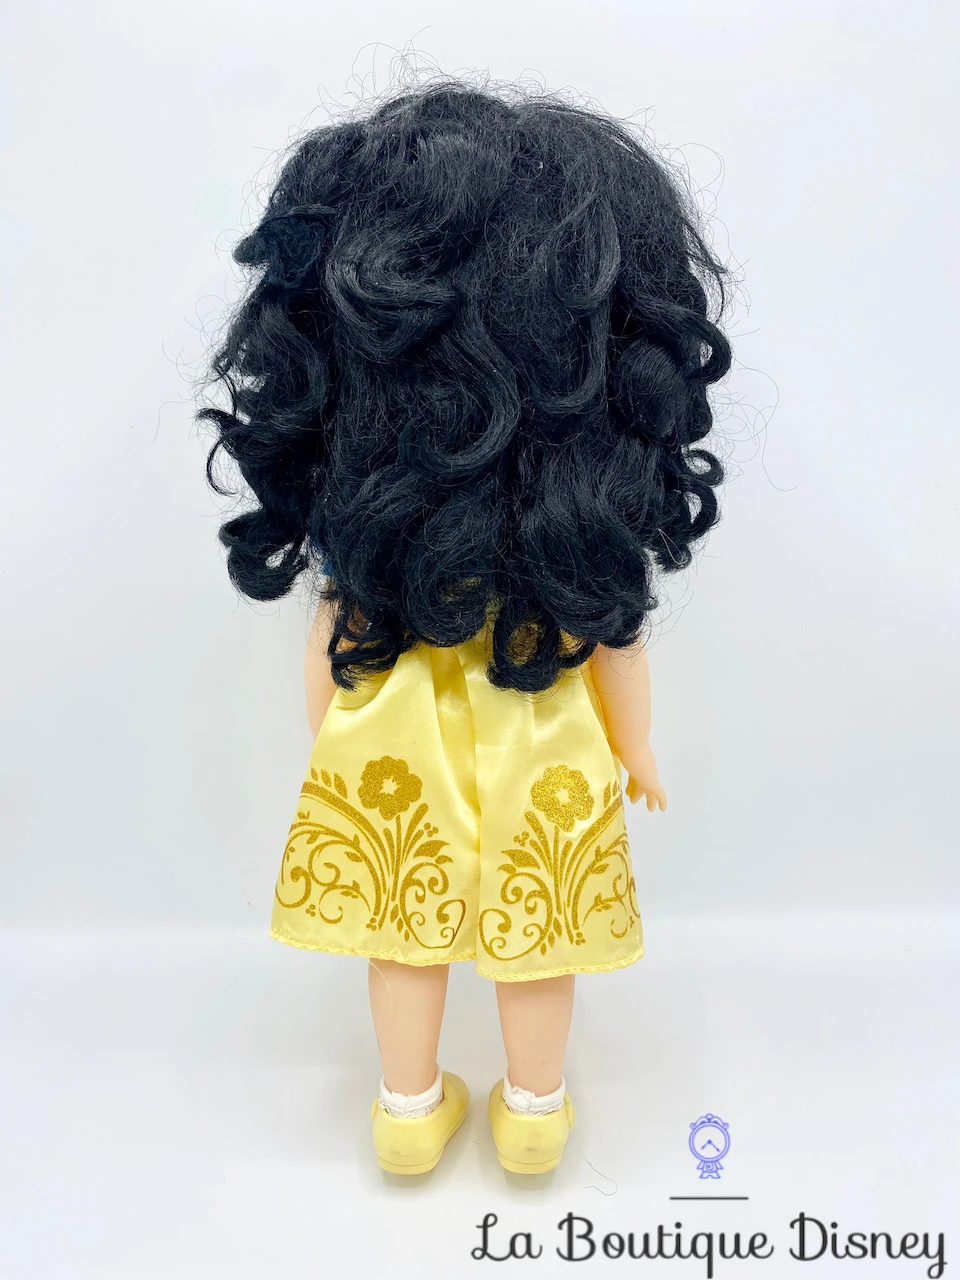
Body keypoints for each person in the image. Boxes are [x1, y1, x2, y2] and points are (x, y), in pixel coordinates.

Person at [198, 75, 732, 1176]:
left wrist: (335, 736)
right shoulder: (574, 538)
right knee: (538, 931)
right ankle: (534, 1108)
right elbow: (618, 640)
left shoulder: (376, 526)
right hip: (544, 734)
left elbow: (332, 642)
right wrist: (635, 746)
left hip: (395, 737)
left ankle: (406, 1105)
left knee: (405, 924)